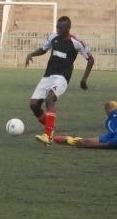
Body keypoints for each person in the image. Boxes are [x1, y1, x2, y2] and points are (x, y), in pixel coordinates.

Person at [25, 15, 94, 145]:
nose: (57, 29)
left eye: (60, 28)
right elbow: (43, 49)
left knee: (50, 99)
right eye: (57, 27)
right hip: (48, 76)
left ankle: (48, 135)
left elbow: (91, 59)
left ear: (68, 28)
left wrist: (84, 79)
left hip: (62, 77)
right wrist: (31, 54)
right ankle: (50, 126)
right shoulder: (53, 37)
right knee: (34, 105)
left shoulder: (76, 43)